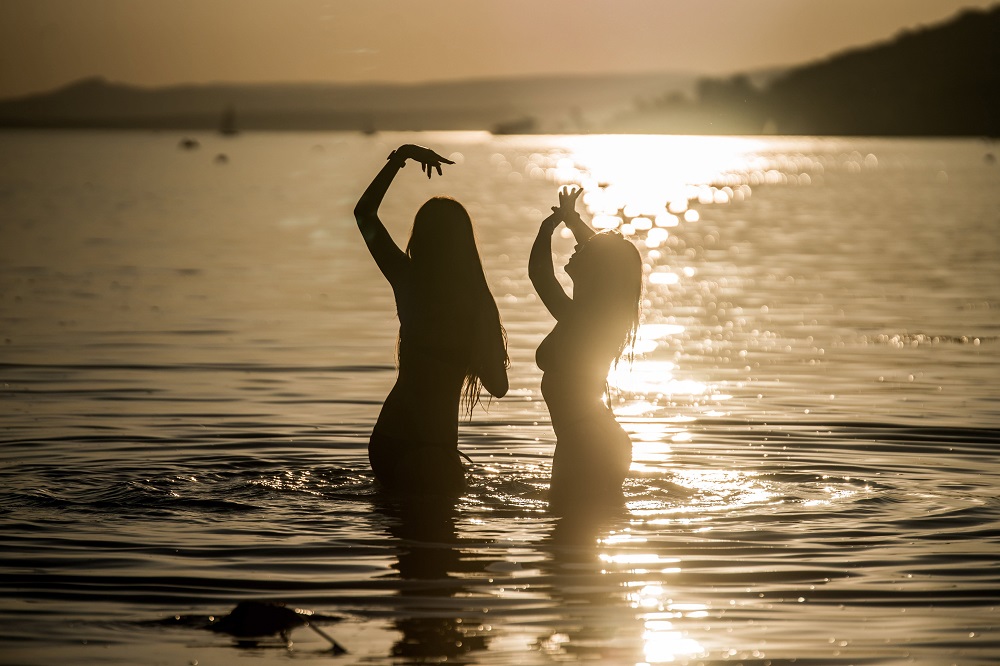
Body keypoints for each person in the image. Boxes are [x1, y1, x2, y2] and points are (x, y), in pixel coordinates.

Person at [354, 144, 509, 495]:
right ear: (465, 244)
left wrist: (401, 157)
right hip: (432, 450)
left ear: (419, 238)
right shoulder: (478, 304)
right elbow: (498, 387)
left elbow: (365, 214)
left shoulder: (407, 281)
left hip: (388, 439)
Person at [529, 186, 642, 512]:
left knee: (567, 546)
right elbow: (606, 257)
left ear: (595, 270)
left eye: (585, 249)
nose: (577, 247)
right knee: (581, 546)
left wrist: (547, 227)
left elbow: (539, 274)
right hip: (592, 439)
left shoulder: (584, 319)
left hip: (584, 442)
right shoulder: (594, 313)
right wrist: (573, 219)